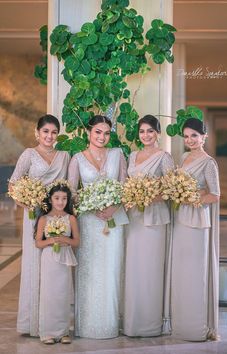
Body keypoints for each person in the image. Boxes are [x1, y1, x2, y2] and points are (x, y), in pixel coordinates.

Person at [68, 115, 129, 339]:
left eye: (106, 133)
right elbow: (72, 193)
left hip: (113, 221)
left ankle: (111, 324)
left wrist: (113, 208)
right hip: (88, 222)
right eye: (98, 132)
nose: (102, 137)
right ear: (89, 133)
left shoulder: (118, 155)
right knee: (90, 271)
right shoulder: (77, 159)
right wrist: (92, 207)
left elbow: (125, 186)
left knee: (111, 268)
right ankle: (87, 326)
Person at [9, 114, 70, 336]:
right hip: (34, 215)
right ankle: (31, 323)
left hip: (56, 216)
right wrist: (25, 201)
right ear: (37, 132)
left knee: (52, 267)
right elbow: (14, 183)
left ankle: (51, 322)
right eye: (45, 131)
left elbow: (67, 188)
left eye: (54, 132)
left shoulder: (64, 156)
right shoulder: (29, 154)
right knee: (34, 263)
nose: (49, 136)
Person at [123, 115, 174, 337]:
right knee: (134, 268)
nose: (146, 135)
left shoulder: (165, 157)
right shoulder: (132, 155)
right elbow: (126, 185)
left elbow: (172, 190)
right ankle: (133, 323)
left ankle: (151, 324)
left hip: (155, 218)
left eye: (150, 131)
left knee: (151, 268)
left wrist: (149, 196)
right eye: (142, 131)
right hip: (134, 218)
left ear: (158, 133)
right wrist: (133, 195)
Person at [171, 118, 220, 341]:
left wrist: (193, 199)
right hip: (180, 217)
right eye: (187, 136)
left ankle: (197, 326)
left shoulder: (209, 163)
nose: (190, 140)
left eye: (194, 135)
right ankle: (180, 324)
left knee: (195, 272)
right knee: (182, 271)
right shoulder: (183, 157)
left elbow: (215, 195)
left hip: (198, 220)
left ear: (204, 137)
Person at [35, 182, 80, 344]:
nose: (61, 202)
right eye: (57, 198)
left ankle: (63, 332)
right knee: (49, 294)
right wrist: (51, 241)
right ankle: (48, 332)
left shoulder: (71, 218)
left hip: (64, 259)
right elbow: (38, 243)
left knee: (63, 294)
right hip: (49, 259)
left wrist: (64, 239)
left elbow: (76, 242)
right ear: (51, 199)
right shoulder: (44, 219)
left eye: (64, 198)